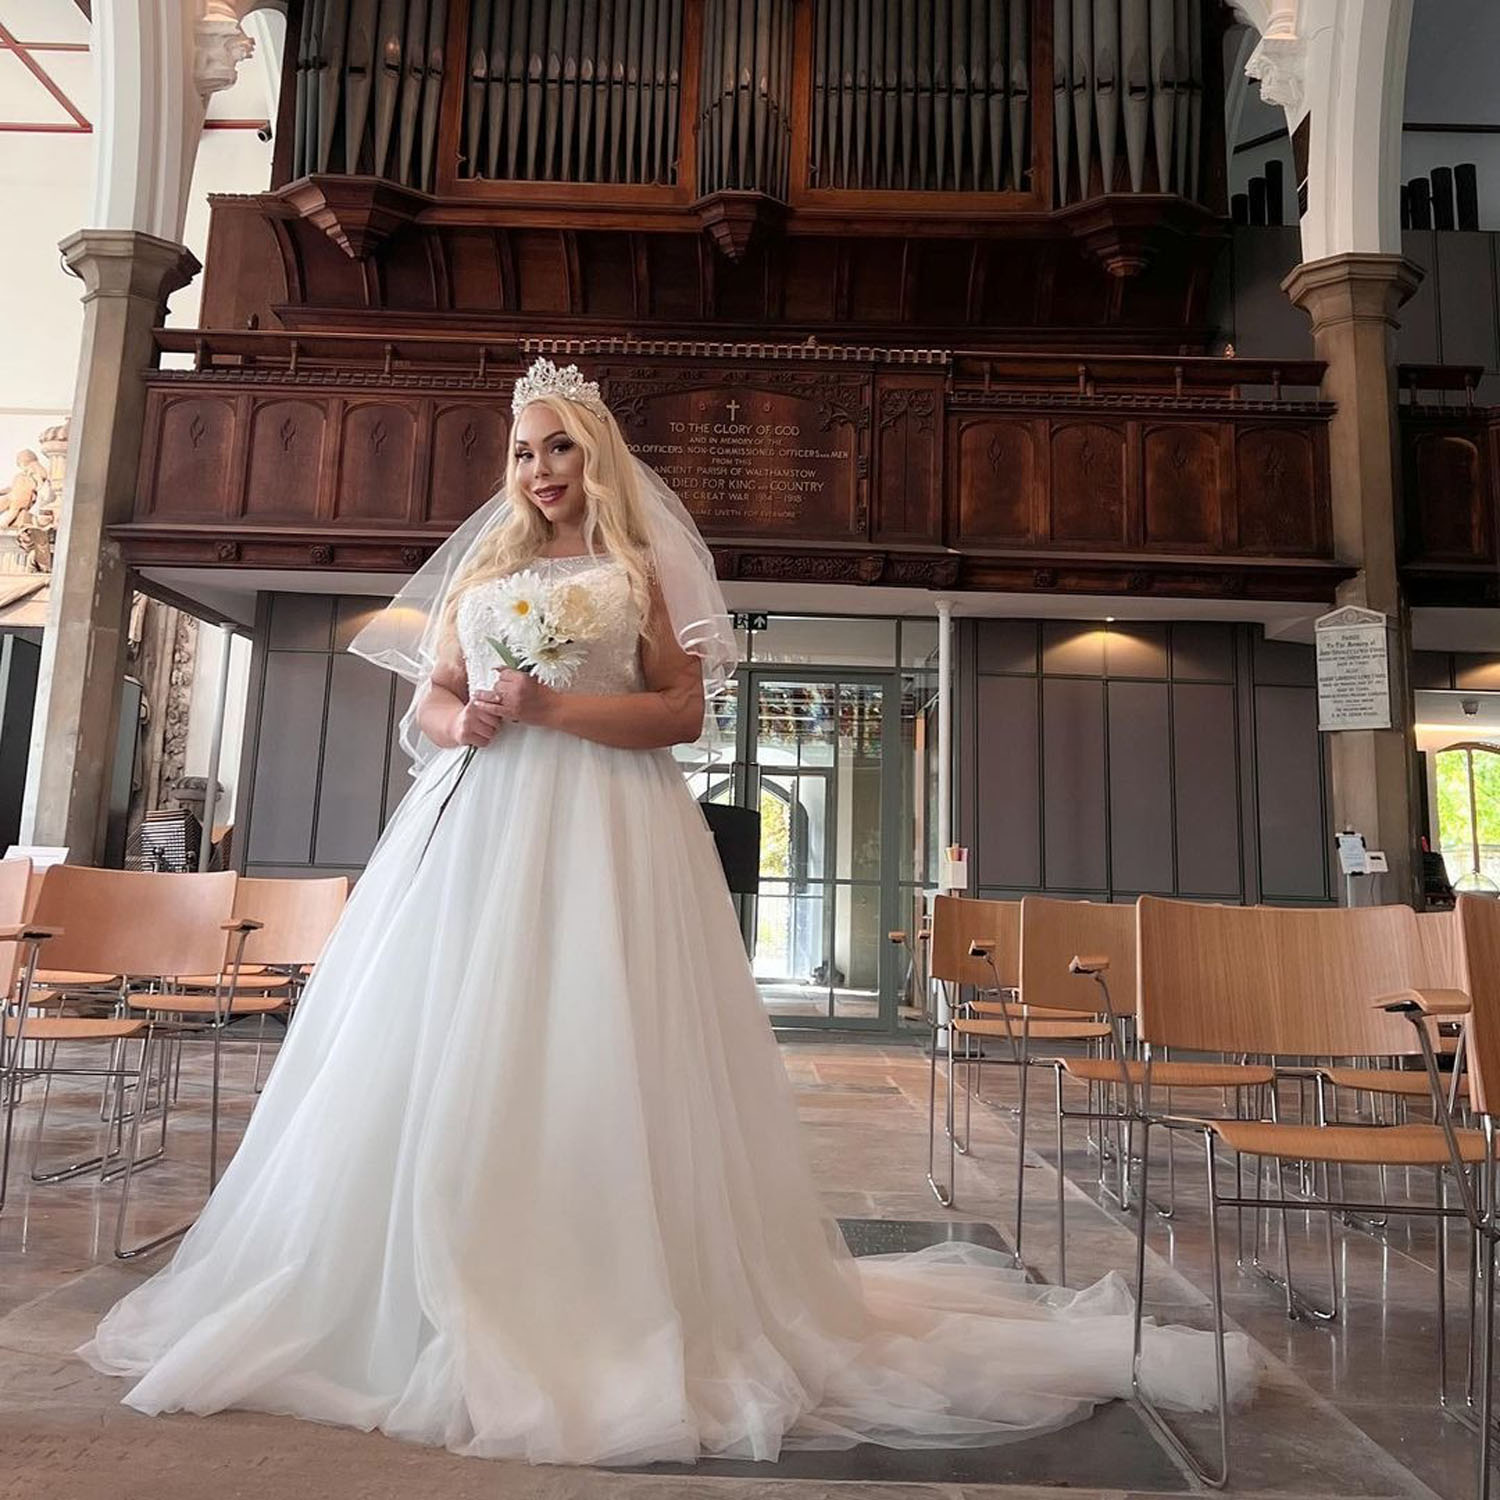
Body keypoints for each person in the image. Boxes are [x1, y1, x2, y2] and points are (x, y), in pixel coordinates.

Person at [82, 359, 1256, 1465]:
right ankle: (408, 1284)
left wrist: (550, 709)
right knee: (443, 1034)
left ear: (595, 455)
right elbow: (432, 698)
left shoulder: (643, 571)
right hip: (474, 827)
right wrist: (463, 721)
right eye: (524, 451)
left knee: (598, 1034)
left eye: (560, 448)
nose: (541, 470)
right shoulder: (485, 569)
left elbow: (682, 715)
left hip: (607, 824)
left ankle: (605, 1287)